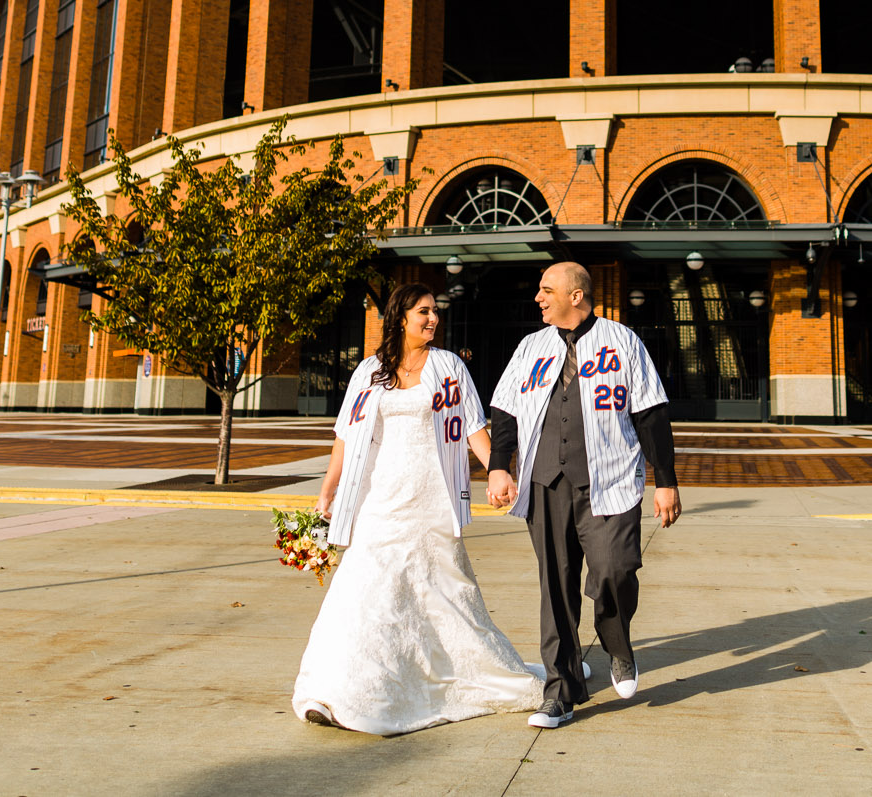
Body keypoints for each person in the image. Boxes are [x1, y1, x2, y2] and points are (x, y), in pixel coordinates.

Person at [290, 282, 542, 735]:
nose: (433, 319)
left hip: (432, 496)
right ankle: (335, 692)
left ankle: (452, 676)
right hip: (381, 499)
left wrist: (500, 473)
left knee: (442, 592)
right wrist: (328, 489)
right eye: (423, 311)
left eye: (435, 311)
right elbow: (345, 436)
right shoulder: (370, 371)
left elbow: (472, 427)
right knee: (363, 591)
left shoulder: (447, 367)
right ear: (400, 317)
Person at [485, 261, 681, 730]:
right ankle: (561, 692)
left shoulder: (622, 341)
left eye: (547, 289)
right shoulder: (530, 347)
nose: (538, 297)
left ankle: (616, 642)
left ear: (577, 295)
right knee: (556, 588)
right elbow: (506, 411)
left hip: (609, 481)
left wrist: (666, 479)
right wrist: (498, 466)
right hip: (545, 481)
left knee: (615, 570)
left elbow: (651, 413)